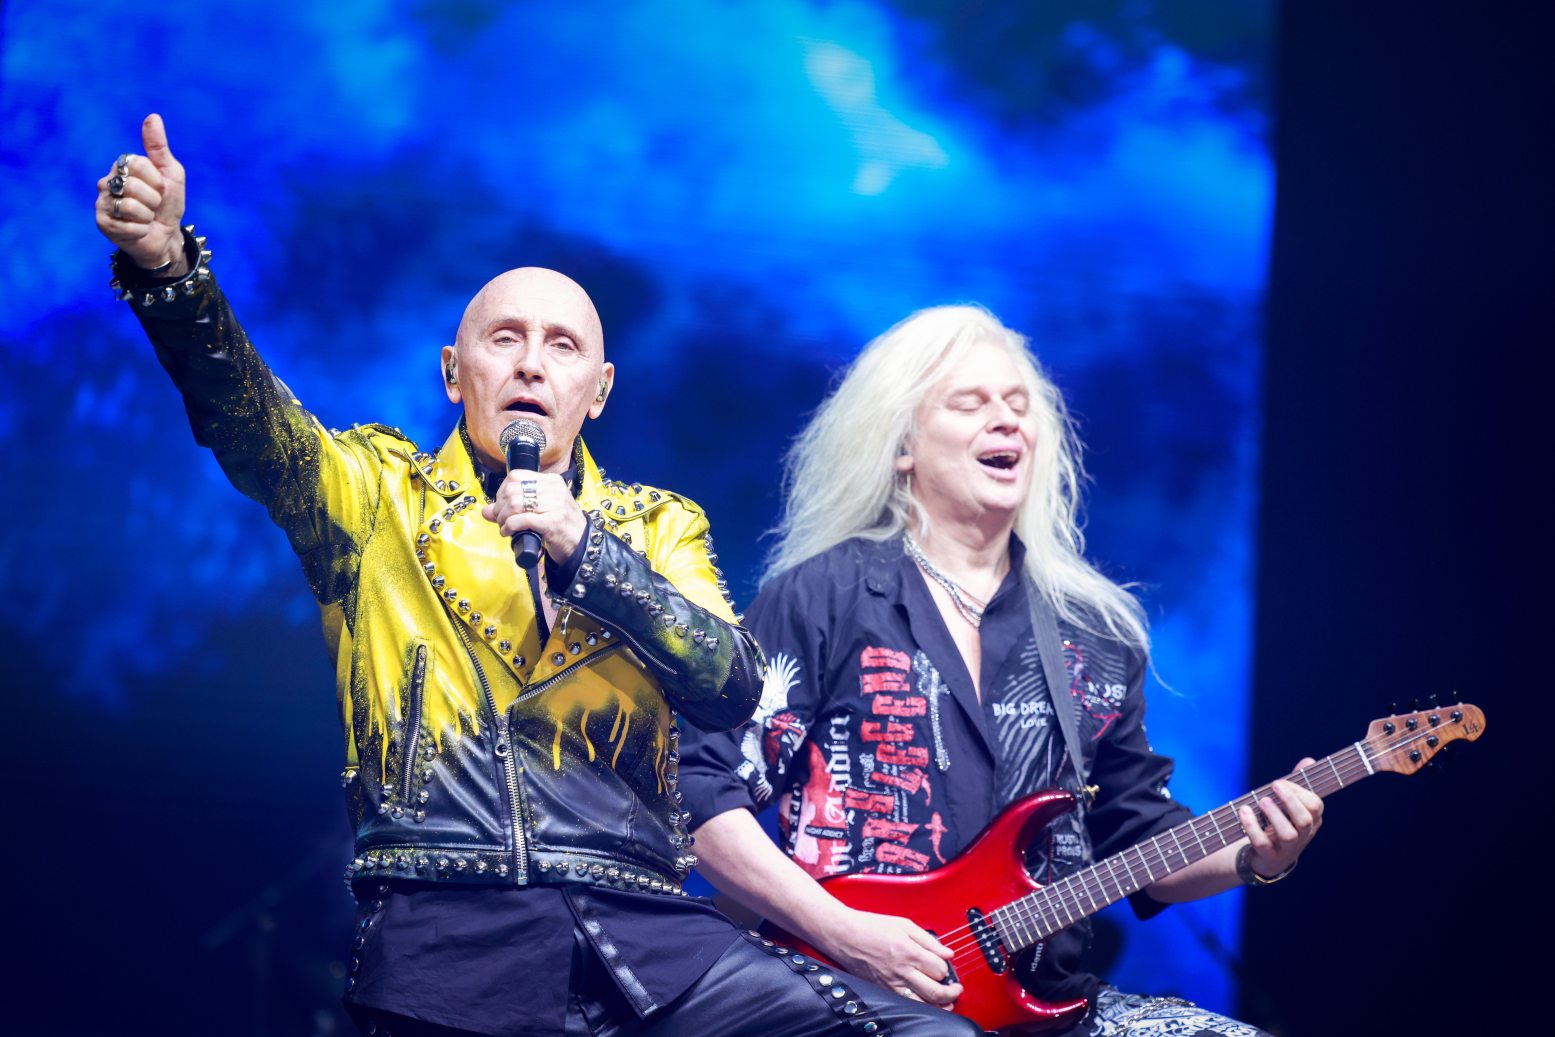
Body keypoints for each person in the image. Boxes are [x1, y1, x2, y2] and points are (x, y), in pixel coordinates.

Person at [95, 114, 976, 1037]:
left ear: (598, 390)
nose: (529, 363)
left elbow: (730, 685)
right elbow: (248, 422)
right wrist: (169, 275)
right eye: (503, 338)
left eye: (561, 345)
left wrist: (586, 549)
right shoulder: (375, 496)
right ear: (453, 372)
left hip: (649, 934)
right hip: (450, 929)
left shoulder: (658, 525)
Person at [678, 305, 1324, 1036]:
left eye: (1019, 404)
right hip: (841, 989)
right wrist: (842, 930)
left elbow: (1138, 835)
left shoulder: (1095, 631)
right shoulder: (823, 595)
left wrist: (1257, 855)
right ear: (902, 446)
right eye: (970, 403)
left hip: (1041, 1004)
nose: (1007, 420)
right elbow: (701, 793)